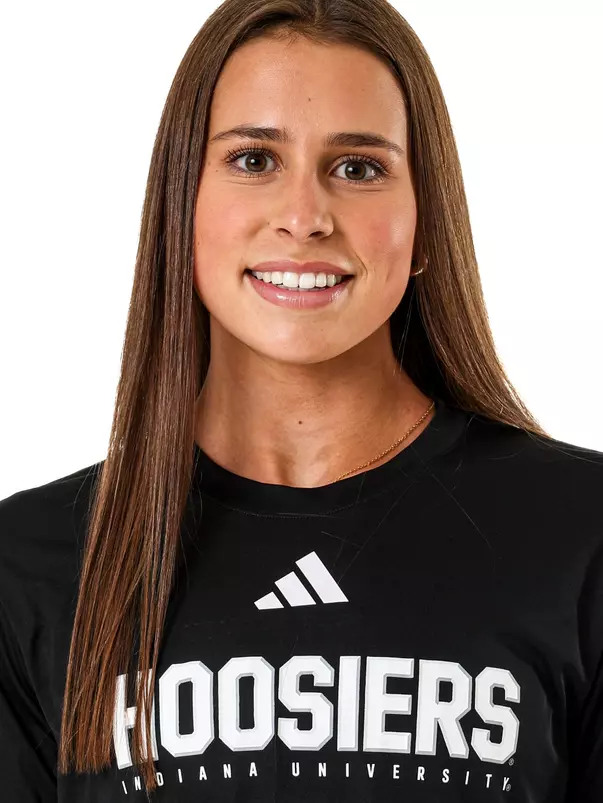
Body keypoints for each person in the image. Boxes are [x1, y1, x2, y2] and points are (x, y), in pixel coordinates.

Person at [0, 0, 602, 800]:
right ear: (180, 205)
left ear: (424, 222)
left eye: (357, 168)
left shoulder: (581, 535)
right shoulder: (29, 567)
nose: (303, 217)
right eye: (253, 159)